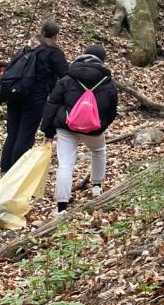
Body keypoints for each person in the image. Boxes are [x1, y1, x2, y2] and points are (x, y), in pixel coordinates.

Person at [41, 43, 118, 213]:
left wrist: (48, 132)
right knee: (99, 151)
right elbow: (112, 110)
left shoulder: (68, 78)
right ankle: (97, 186)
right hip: (93, 128)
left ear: (83, 56)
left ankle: (61, 207)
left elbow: (52, 104)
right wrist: (102, 125)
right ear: (102, 60)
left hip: (66, 125)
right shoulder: (107, 82)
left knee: (65, 164)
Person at [0, 19, 68, 173]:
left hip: (15, 94)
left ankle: (4, 170)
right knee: (26, 135)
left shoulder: (28, 47)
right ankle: (15, 174)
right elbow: (65, 75)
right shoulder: (53, 52)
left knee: (12, 134)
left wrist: (0, 98)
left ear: (41, 31)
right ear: (56, 35)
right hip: (35, 98)